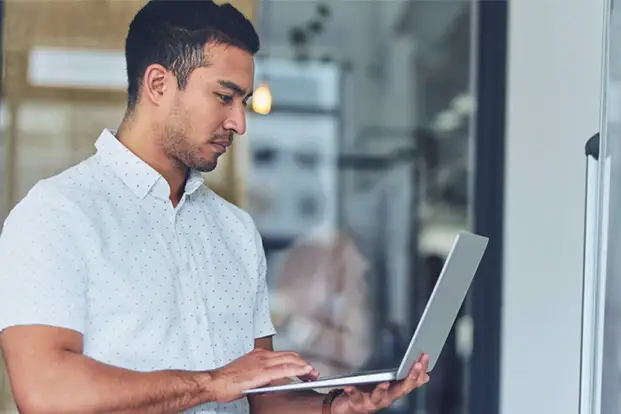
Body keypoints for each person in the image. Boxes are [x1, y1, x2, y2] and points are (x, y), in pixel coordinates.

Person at [0, 1, 429, 413]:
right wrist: (211, 382)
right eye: (225, 97)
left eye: (243, 101)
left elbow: (260, 399)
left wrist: (333, 408)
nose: (239, 123)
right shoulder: (57, 214)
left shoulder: (236, 231)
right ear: (157, 84)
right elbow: (45, 390)